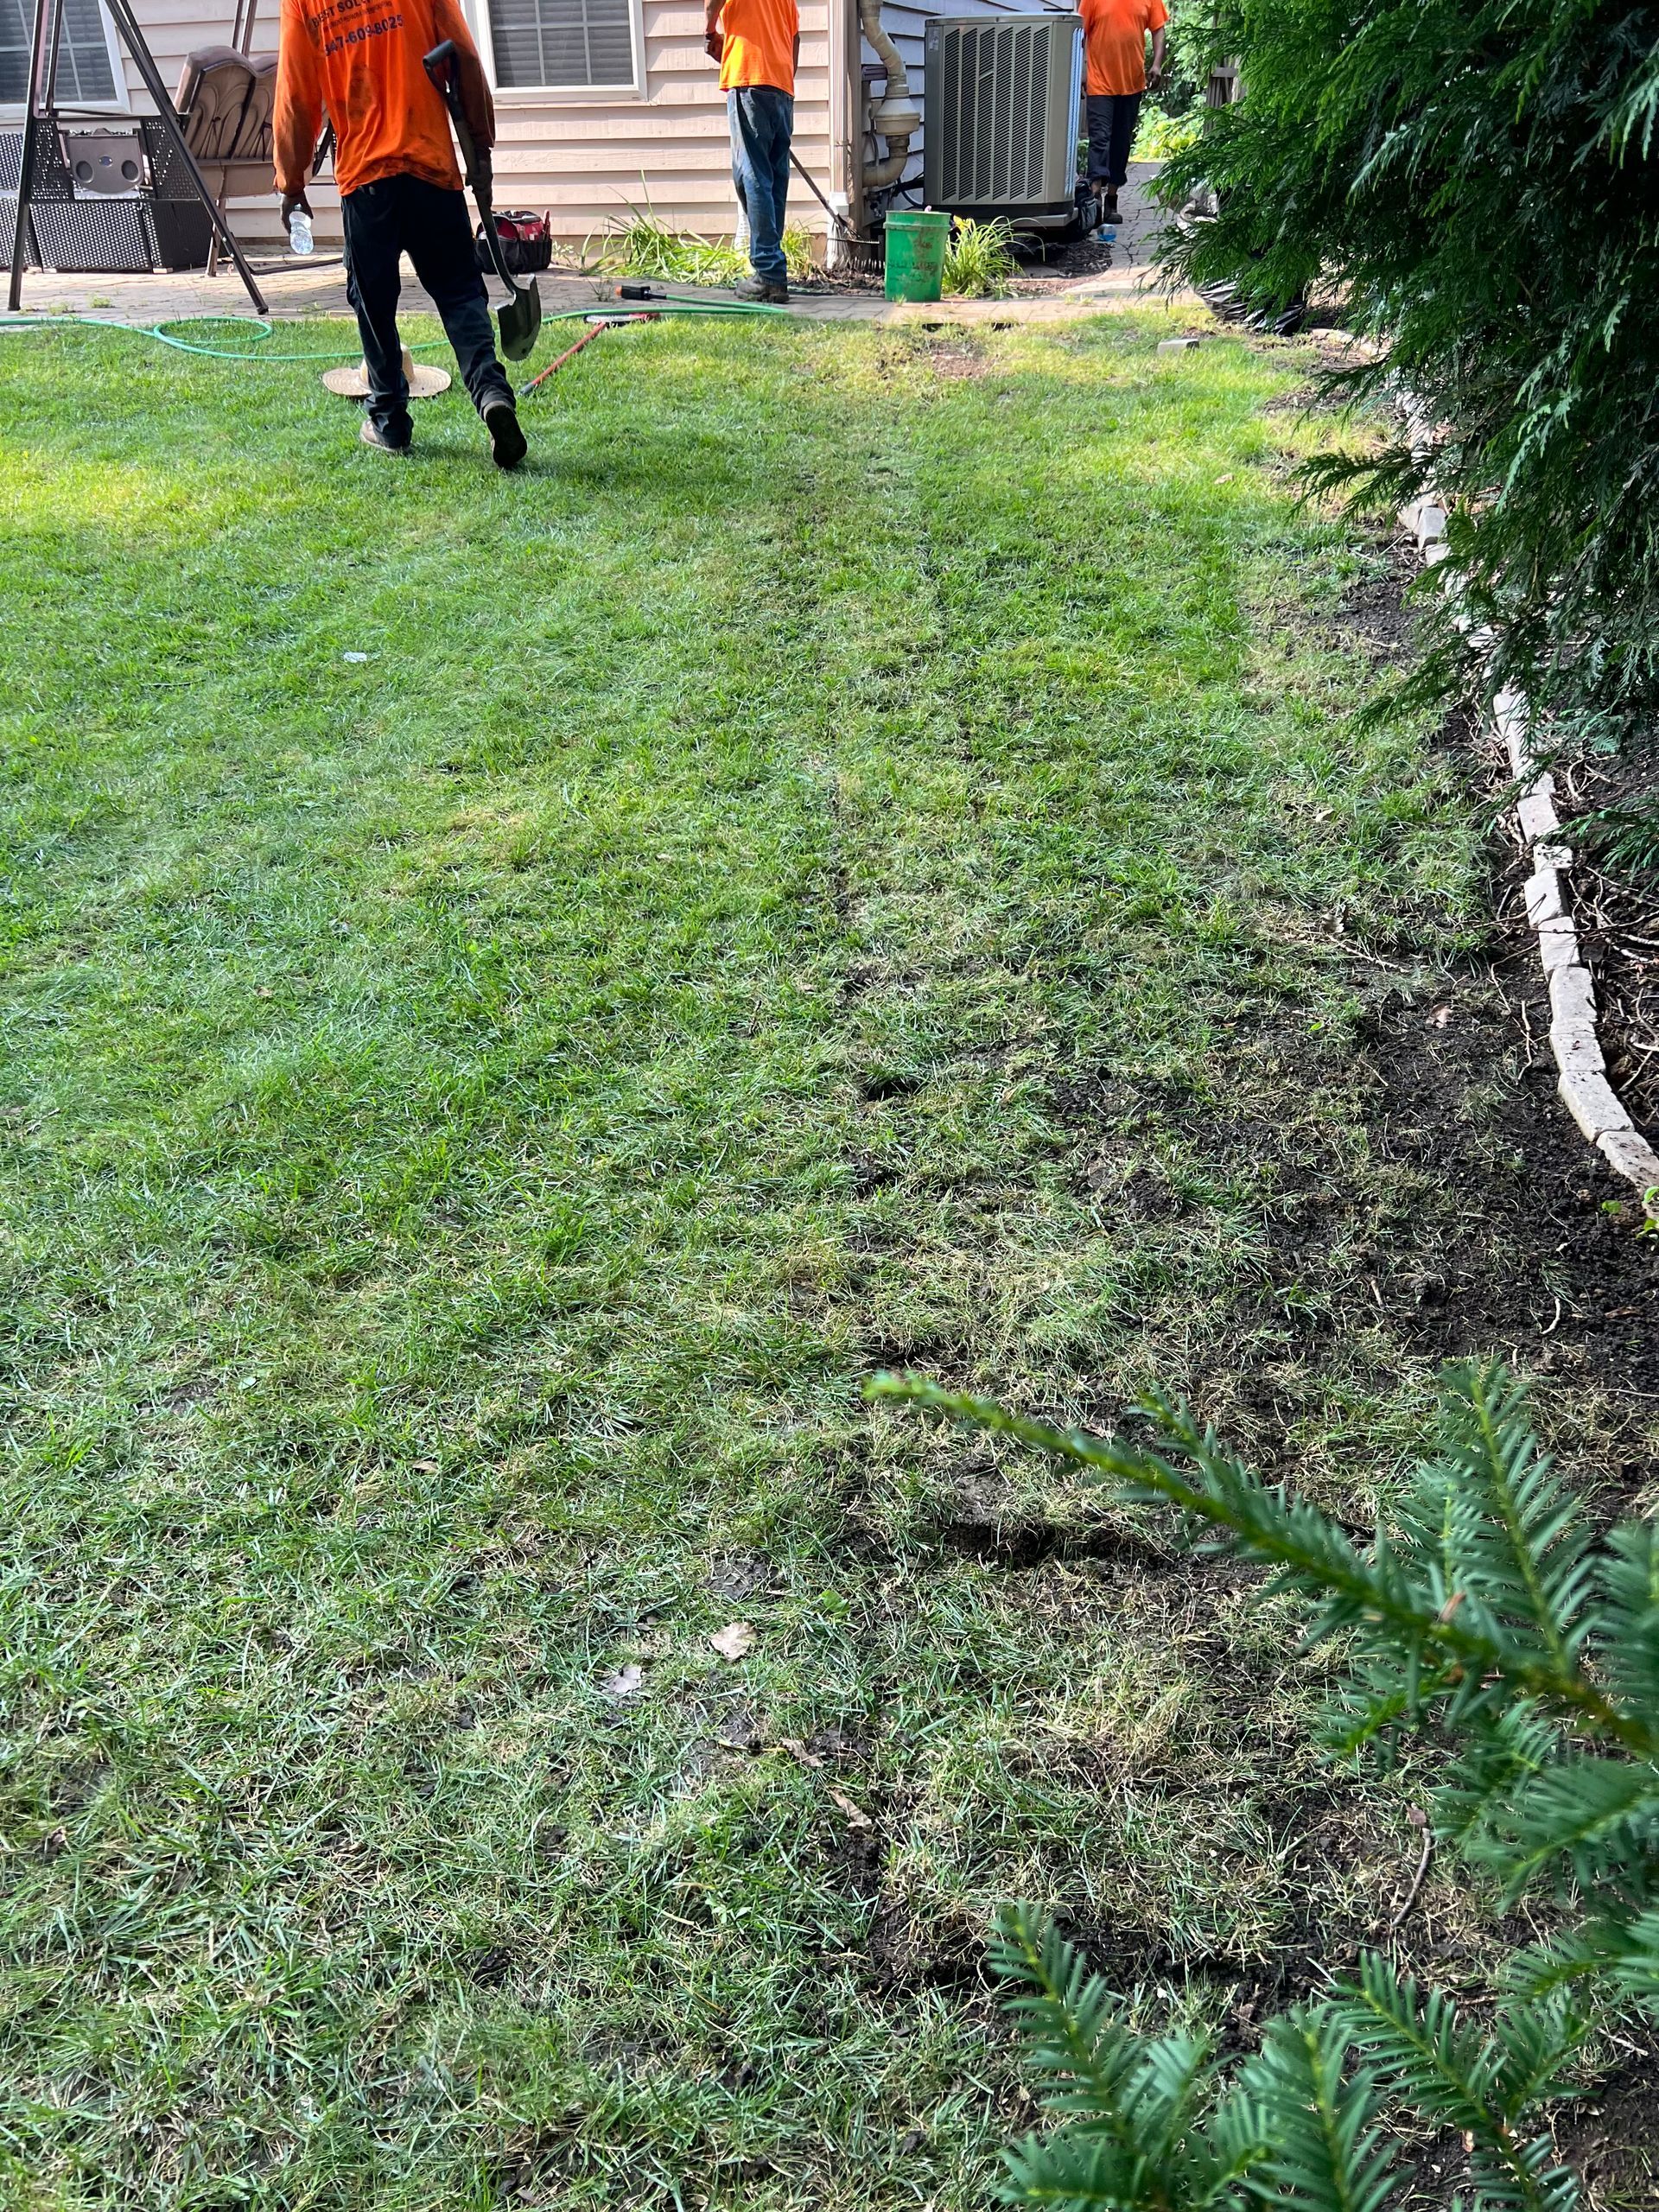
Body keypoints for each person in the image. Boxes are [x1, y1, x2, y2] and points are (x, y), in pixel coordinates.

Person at [273, 0, 527, 467]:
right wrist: (481, 144)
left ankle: (389, 421)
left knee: (374, 302)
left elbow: (296, 96)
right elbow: (465, 58)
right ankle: (491, 392)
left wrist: (291, 182)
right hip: (430, 163)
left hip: (366, 179)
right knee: (457, 294)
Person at [705, 0, 800, 303]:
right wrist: (781, 79)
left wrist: (708, 31)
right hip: (782, 86)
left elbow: (711, 4)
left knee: (752, 177)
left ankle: (769, 273)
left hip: (749, 81)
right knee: (772, 178)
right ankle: (772, 267)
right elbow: (795, 37)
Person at [1078, 0, 1167, 224]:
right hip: (1099, 82)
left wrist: (1157, 65)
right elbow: (1080, 32)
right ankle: (1094, 198)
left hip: (1132, 83)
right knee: (1100, 139)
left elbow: (1158, 29)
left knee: (1121, 142)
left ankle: (1111, 200)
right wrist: (1082, 70)